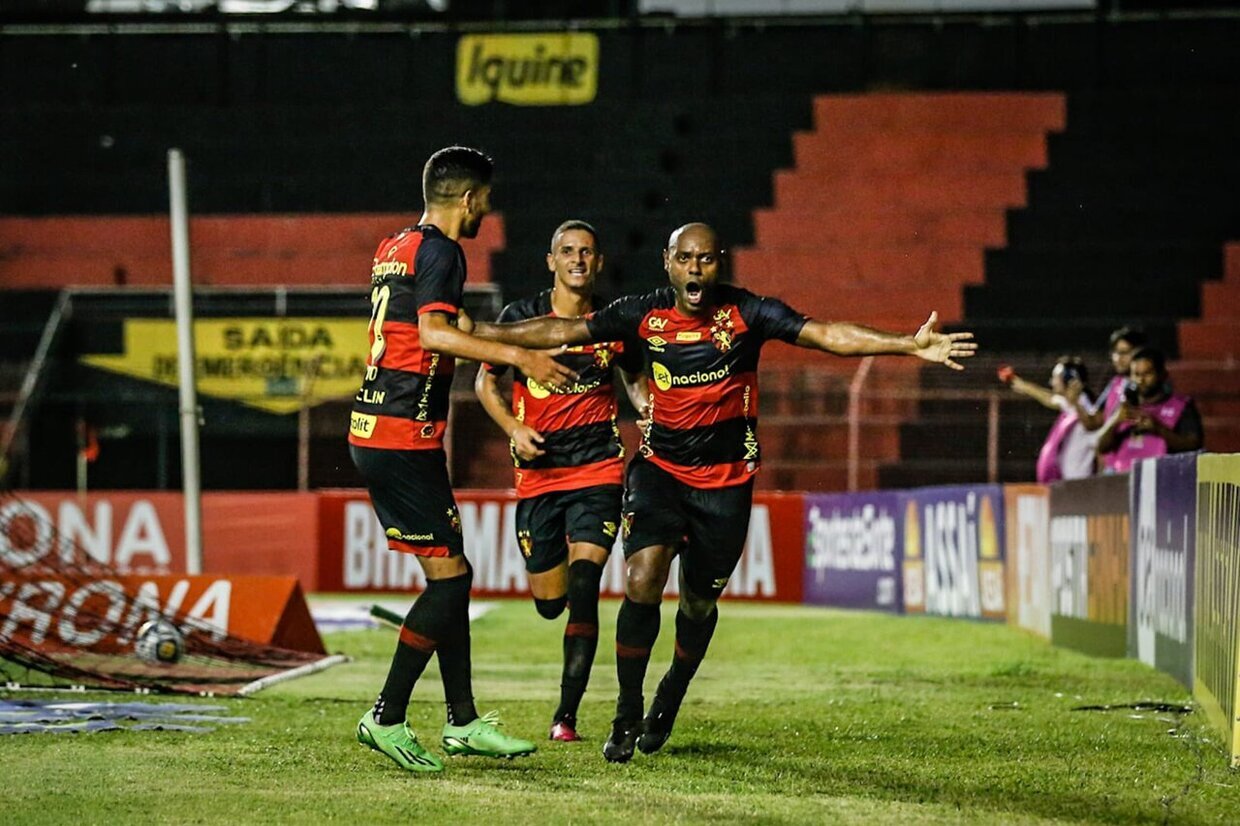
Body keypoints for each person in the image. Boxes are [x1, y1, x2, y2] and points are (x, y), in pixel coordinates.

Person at [471, 222, 977, 762]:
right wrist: (479, 330)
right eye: (685, 259)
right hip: (659, 471)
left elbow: (827, 335)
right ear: (668, 262)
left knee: (697, 600)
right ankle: (625, 711)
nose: (695, 269)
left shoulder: (747, 314)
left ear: (721, 264)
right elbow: (560, 333)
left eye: (706, 260)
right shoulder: (643, 313)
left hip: (726, 483)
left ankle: (672, 692)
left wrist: (906, 344)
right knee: (641, 579)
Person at [349, 146, 577, 774]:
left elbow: (446, 322)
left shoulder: (396, 246)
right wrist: (520, 360)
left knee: (451, 578)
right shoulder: (445, 251)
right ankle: (387, 716)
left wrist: (511, 338)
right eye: (486, 200)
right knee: (450, 582)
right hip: (400, 434)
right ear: (469, 198)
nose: (488, 210)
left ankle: (463, 720)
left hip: (380, 425)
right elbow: (432, 335)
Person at [474, 220, 647, 742]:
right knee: (551, 603)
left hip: (597, 469)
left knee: (585, 584)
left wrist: (651, 414)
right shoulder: (519, 319)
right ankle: (566, 619)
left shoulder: (614, 320)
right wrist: (513, 427)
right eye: (567, 252)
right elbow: (485, 381)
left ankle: (565, 717)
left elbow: (636, 380)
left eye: (587, 252)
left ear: (598, 262)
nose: (577, 260)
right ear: (551, 261)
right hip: (539, 475)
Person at [1096, 347, 1203, 473]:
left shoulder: (1181, 406)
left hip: (1162, 476)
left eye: (1147, 374)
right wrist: (1115, 421)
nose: (1141, 380)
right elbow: (1101, 447)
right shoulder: (1124, 406)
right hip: (1120, 478)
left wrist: (1158, 429)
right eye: (1136, 374)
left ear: (1162, 375)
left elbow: (1194, 445)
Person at [997, 356, 1099, 482]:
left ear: (1069, 379)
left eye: (1055, 377)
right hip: (1070, 483)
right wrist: (1022, 385)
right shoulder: (1072, 404)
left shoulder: (1084, 406)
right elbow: (1049, 398)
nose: (1052, 382)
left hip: (1080, 484)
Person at [1075, 326, 1148, 431]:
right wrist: (1076, 401)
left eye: (1124, 352)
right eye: (1115, 353)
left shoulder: (1147, 386)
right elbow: (1095, 422)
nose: (1118, 358)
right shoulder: (1116, 382)